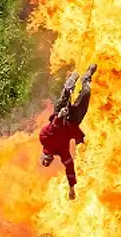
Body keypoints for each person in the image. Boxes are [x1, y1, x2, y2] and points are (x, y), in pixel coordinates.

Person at [39, 64, 96, 198]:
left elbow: (51, 128)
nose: (48, 161)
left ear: (44, 155)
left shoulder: (44, 139)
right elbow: (69, 168)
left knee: (62, 101)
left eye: (45, 161)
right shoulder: (63, 152)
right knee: (86, 93)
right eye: (48, 162)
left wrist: (59, 117)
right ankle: (86, 79)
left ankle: (68, 86)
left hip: (61, 114)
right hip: (74, 121)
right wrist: (72, 188)